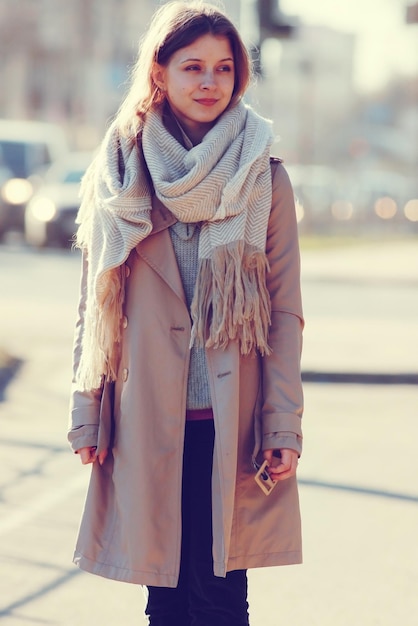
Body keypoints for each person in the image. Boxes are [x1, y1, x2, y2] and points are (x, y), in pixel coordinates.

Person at [68, 1, 304, 624]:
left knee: (223, 595)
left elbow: (284, 315)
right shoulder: (121, 175)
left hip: (233, 421)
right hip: (146, 413)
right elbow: (94, 306)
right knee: (166, 595)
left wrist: (282, 424)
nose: (209, 82)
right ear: (159, 74)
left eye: (224, 69)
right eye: (193, 67)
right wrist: (87, 411)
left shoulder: (265, 179)